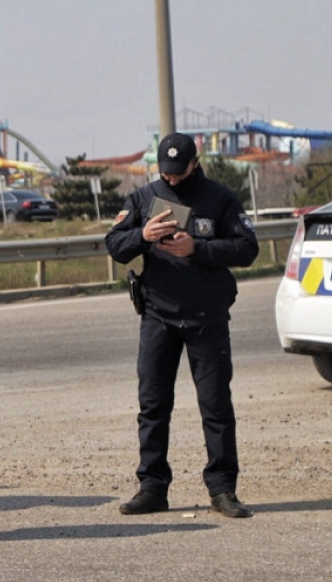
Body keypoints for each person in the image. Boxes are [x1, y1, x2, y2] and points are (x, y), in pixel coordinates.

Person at [105, 132, 260, 518]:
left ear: (194, 163)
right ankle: (152, 487)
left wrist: (199, 249)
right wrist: (142, 235)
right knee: (153, 406)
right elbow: (114, 244)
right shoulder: (143, 199)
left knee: (216, 406)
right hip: (158, 316)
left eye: (179, 171)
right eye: (165, 172)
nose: (171, 179)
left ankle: (223, 489)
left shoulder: (219, 198)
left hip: (207, 317)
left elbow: (247, 248)